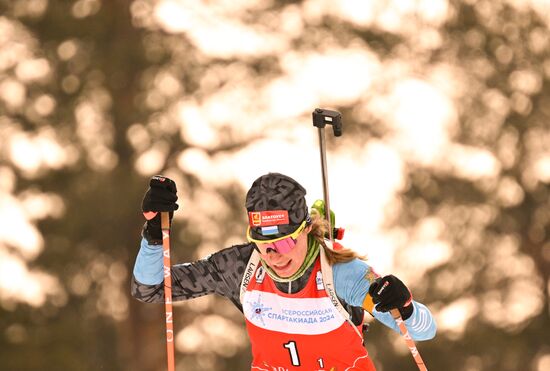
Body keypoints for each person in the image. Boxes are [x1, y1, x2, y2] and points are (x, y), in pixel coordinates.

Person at [132, 173, 436, 370]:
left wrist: (405, 307)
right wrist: (155, 236)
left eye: (286, 241)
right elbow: (150, 289)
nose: (274, 255)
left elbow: (422, 331)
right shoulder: (240, 267)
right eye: (263, 244)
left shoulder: (339, 272)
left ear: (306, 230)